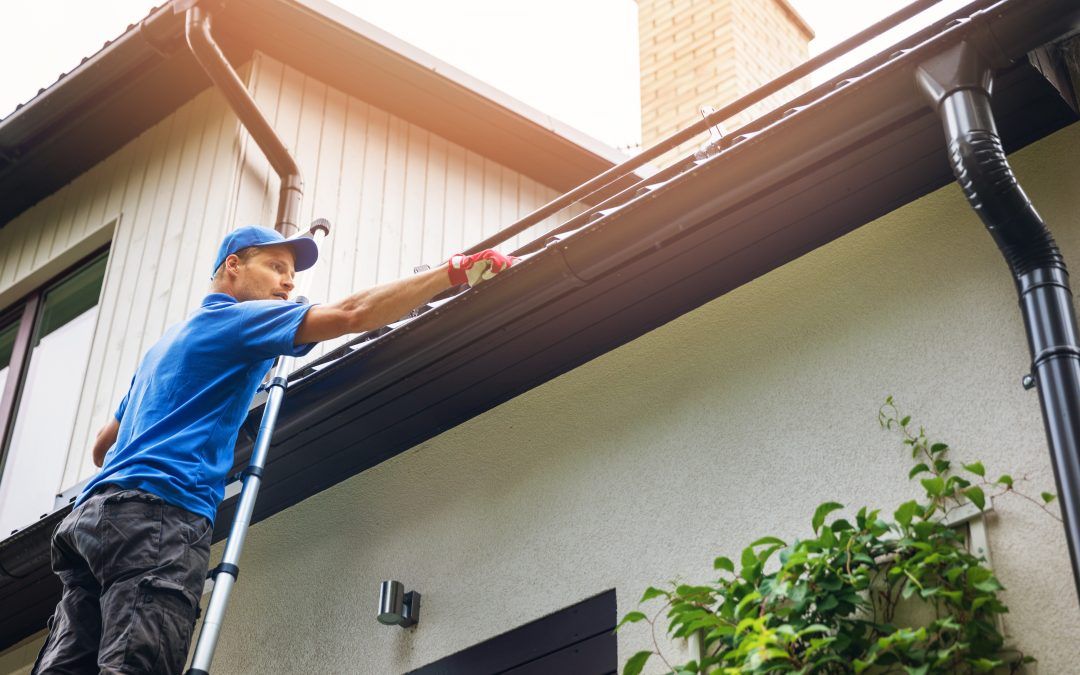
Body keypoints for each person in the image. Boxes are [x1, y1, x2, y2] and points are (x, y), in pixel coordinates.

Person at [32, 225, 517, 674]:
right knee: (136, 664)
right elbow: (353, 313)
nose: (288, 283)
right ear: (232, 267)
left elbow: (101, 446)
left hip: (91, 523)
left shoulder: (165, 346)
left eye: (292, 274)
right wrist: (452, 271)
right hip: (158, 515)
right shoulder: (239, 321)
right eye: (277, 268)